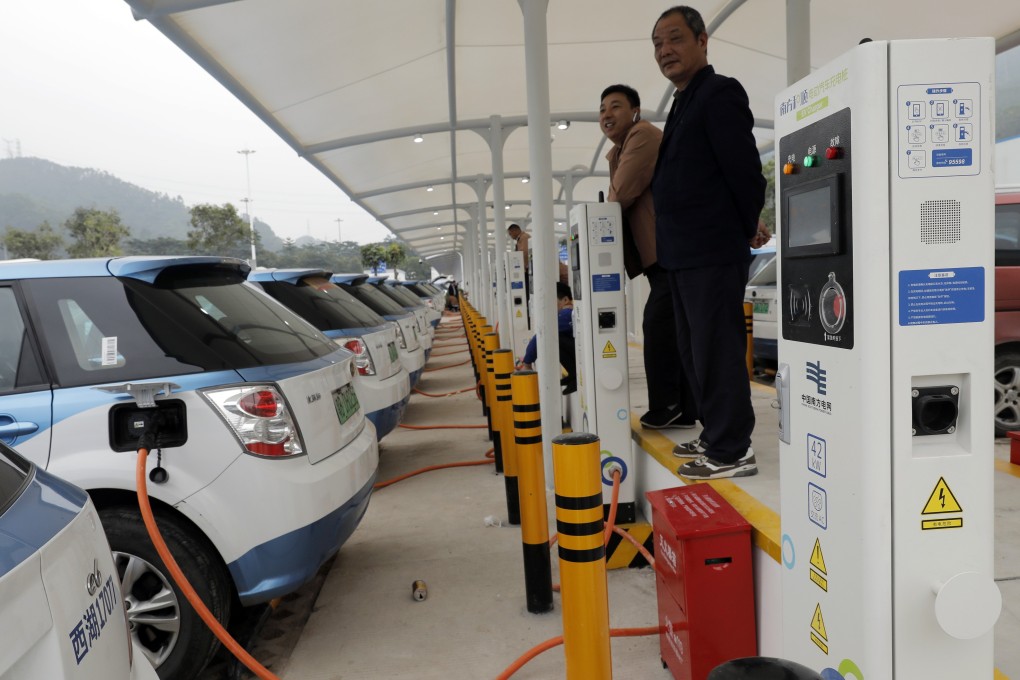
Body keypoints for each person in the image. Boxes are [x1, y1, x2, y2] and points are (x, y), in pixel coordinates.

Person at [650, 6, 767, 480]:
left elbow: (745, 173)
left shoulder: (719, 93)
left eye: (675, 38)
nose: (665, 50)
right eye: (657, 43)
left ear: (702, 41)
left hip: (711, 250)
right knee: (694, 351)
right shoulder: (683, 101)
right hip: (682, 254)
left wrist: (743, 228)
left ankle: (732, 448)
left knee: (717, 350)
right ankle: (714, 431)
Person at [600, 83, 697, 430]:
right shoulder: (619, 150)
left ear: (635, 111)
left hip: (671, 249)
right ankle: (684, 408)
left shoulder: (642, 136)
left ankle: (668, 404)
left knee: (658, 324)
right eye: (602, 110)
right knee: (673, 325)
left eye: (615, 106)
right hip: (661, 254)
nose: (607, 115)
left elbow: (620, 194)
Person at [521, 282, 576, 394]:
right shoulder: (568, 313)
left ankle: (576, 376)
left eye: (552, 300)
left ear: (565, 300)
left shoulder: (566, 314)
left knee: (553, 338)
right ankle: (574, 375)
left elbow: (542, 335)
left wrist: (527, 363)